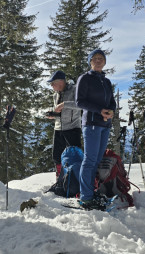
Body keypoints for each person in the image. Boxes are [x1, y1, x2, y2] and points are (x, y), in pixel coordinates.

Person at [75, 49, 116, 209]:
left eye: (101, 58)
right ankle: (85, 197)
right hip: (91, 124)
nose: (98, 61)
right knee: (90, 160)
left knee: (97, 160)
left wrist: (111, 110)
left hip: (105, 124)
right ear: (90, 62)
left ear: (104, 62)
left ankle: (92, 192)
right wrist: (100, 111)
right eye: (95, 58)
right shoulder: (85, 78)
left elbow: (111, 101)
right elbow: (80, 102)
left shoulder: (106, 81)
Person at [46, 70, 82, 177]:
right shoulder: (55, 95)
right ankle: (61, 178)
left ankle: (75, 179)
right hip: (58, 129)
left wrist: (64, 104)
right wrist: (53, 114)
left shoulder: (75, 90)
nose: (52, 86)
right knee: (56, 156)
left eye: (53, 83)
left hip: (72, 128)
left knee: (74, 156)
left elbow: (80, 105)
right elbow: (59, 111)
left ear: (61, 82)